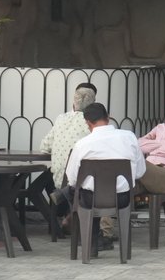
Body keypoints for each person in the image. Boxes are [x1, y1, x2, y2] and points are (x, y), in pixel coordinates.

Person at [63, 102, 146, 252]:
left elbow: (73, 178)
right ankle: (104, 243)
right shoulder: (129, 137)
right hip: (122, 199)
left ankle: (92, 243)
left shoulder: (82, 144)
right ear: (108, 118)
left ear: (88, 123)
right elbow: (140, 172)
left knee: (77, 193)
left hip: (91, 199)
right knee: (85, 192)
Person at [28, 83, 98, 226]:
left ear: (74, 101)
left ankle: (62, 218)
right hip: (84, 182)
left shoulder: (61, 118)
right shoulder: (92, 123)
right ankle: (75, 219)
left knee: (47, 177)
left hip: (60, 181)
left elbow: (44, 147)